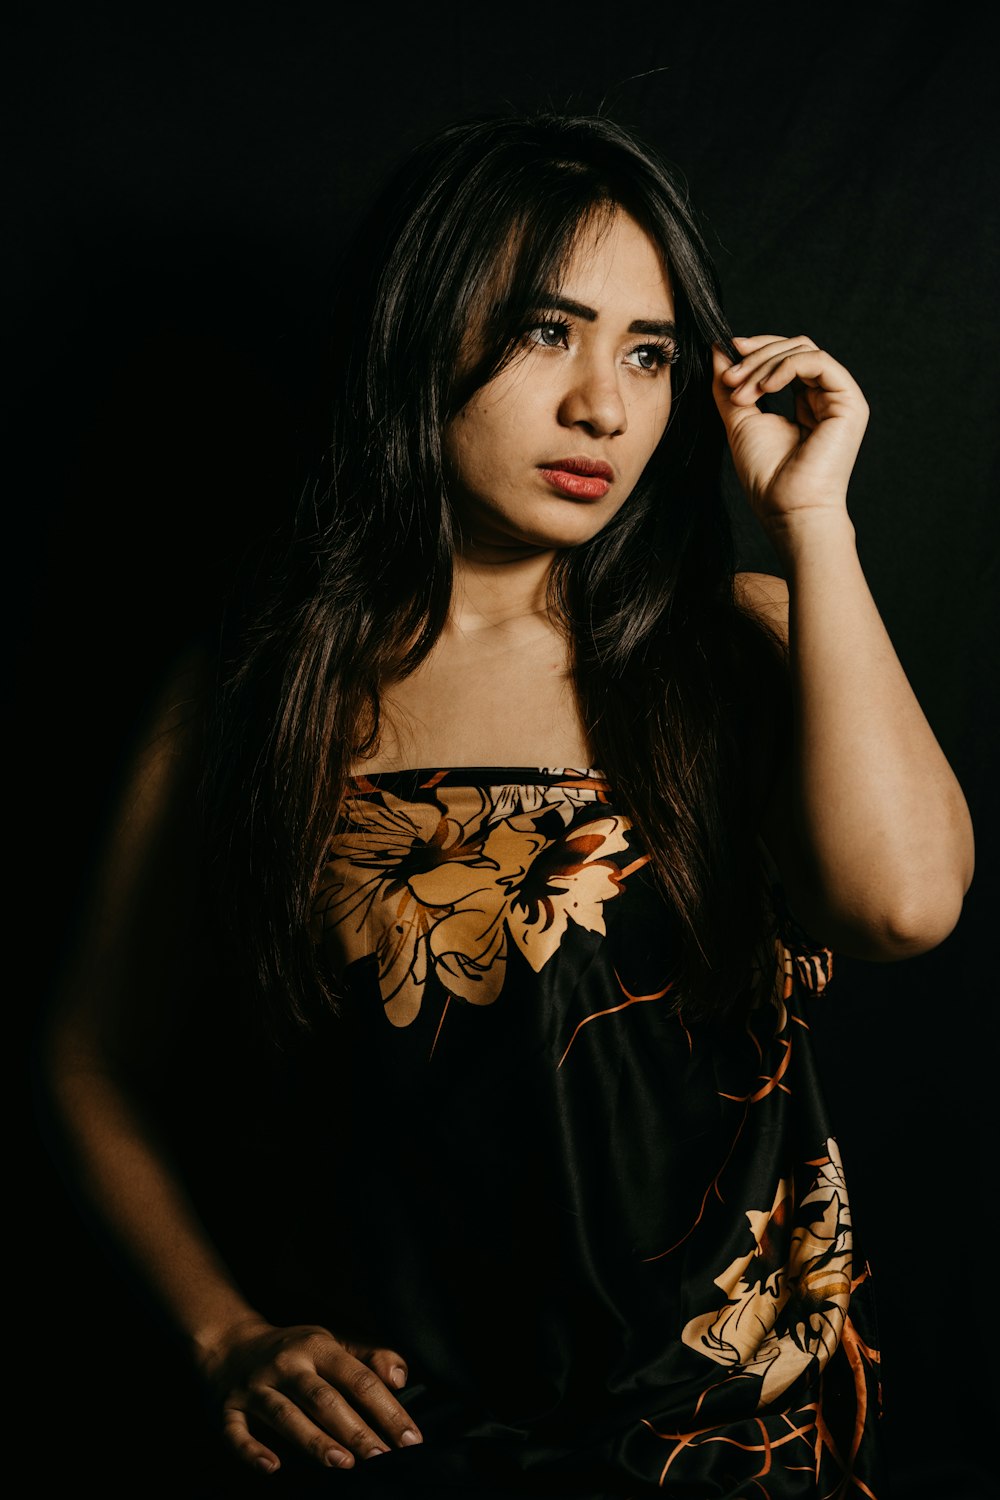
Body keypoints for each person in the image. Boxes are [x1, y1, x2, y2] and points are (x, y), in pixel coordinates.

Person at [38, 110, 974, 1498]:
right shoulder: (261, 690)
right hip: (414, 1447)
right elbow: (92, 1060)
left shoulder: (741, 641)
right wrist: (225, 1333)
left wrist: (814, 523)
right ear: (419, 337)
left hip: (745, 1438)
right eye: (548, 333)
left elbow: (900, 905)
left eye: (649, 354)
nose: (603, 405)